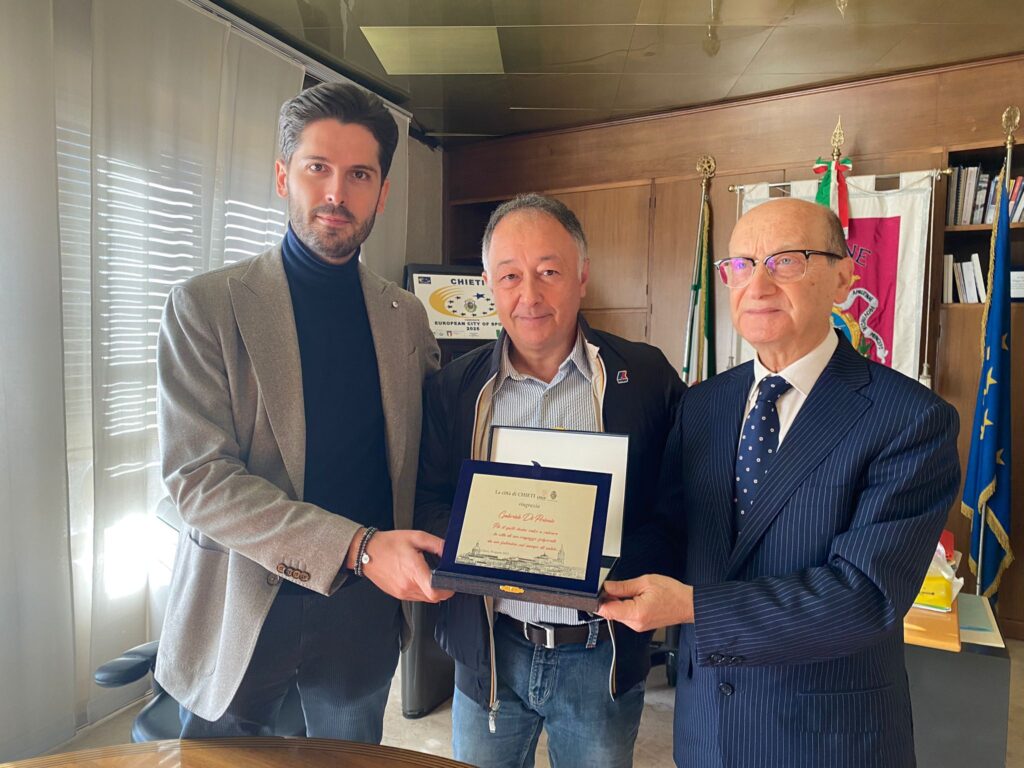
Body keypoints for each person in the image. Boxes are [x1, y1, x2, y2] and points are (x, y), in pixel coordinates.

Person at [598, 197, 960, 768]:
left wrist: (695, 607)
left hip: (827, 737)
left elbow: (865, 596)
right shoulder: (703, 404)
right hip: (707, 728)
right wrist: (581, 569)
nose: (758, 285)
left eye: (786, 260)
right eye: (740, 265)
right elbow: (672, 531)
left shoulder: (910, 418)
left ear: (843, 279)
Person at [154, 82, 450, 742]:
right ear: (284, 175)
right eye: (318, 168)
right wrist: (358, 548)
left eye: (359, 175)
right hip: (240, 605)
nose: (336, 194)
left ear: (383, 192)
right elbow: (198, 480)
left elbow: (435, 452)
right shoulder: (205, 307)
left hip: (362, 618)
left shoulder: (406, 318)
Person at [416, 194, 685, 768]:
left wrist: (604, 562)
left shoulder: (646, 377)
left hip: (599, 651)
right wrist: (490, 543)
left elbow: (676, 507)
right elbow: (430, 502)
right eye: (510, 276)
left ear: (582, 276)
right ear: (489, 285)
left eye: (549, 272)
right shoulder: (452, 388)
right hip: (492, 649)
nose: (529, 295)